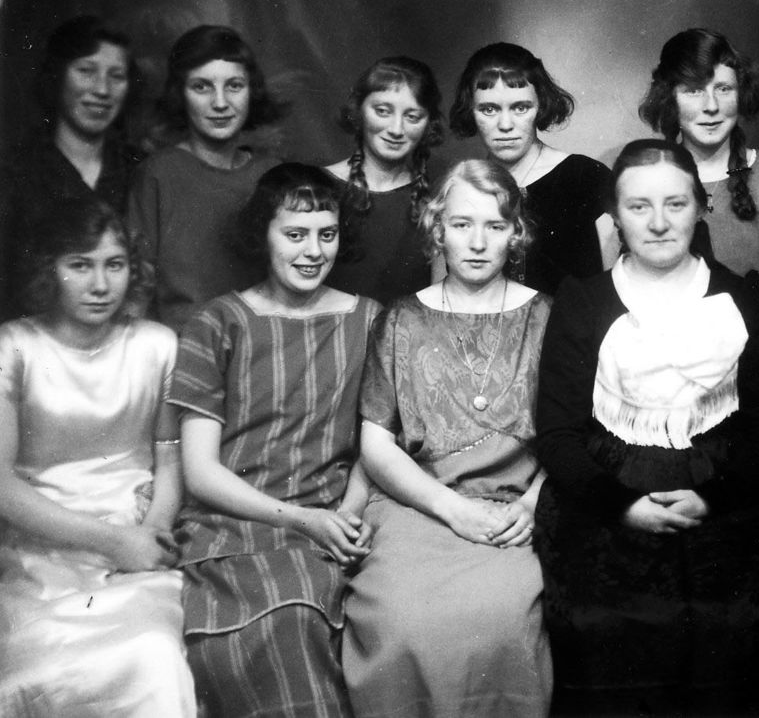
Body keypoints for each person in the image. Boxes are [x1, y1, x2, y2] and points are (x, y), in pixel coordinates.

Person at [535, 139, 759, 714]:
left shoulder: (743, 299)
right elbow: (558, 433)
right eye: (638, 206)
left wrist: (711, 498)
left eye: (675, 204)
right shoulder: (583, 301)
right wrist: (622, 506)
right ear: (616, 216)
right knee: (607, 638)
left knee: (721, 639)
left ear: (700, 207)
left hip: (722, 499)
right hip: (606, 501)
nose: (657, 223)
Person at [168, 164, 379, 716]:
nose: (313, 251)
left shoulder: (369, 321)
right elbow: (200, 472)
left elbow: (376, 445)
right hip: (231, 527)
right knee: (284, 617)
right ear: (263, 234)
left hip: (334, 523)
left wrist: (348, 514)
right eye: (295, 234)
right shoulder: (216, 324)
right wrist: (300, 520)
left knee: (334, 613)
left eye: (326, 234)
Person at [343, 160, 552, 717]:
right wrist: (451, 508)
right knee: (400, 618)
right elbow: (376, 445)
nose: (478, 243)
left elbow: (573, 435)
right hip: (419, 505)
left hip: (513, 511)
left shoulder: (547, 316)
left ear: (516, 233)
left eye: (494, 226)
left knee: (501, 620)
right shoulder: (401, 320)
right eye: (461, 225)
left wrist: (534, 504)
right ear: (438, 230)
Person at [0, 200, 195, 716]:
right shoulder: (13, 346)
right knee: (47, 671)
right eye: (80, 265)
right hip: (43, 552)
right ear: (50, 268)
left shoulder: (157, 344)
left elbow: (169, 457)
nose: (101, 285)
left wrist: (153, 533)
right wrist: (112, 542)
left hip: (137, 546)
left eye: (115, 264)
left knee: (154, 653)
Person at [128, 24, 285, 332]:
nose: (220, 103)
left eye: (234, 85)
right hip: (181, 345)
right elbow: (137, 285)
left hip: (260, 344)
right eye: (202, 87)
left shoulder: (271, 174)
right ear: (180, 94)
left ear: (252, 91)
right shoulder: (158, 174)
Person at [640, 28, 759, 299]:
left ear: (741, 94)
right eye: (694, 91)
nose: (711, 106)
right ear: (669, 99)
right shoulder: (646, 180)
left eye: (723, 89)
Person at [1, 15, 142, 319]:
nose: (102, 89)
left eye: (116, 76)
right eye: (86, 71)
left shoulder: (141, 169)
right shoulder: (13, 172)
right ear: (57, 76)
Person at [448, 42, 612, 294]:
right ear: (470, 111)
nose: (505, 125)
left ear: (541, 106)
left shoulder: (587, 178)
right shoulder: (460, 188)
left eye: (520, 108)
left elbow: (613, 286)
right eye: (489, 109)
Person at [324, 55, 444, 304]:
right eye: (383, 111)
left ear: (428, 124)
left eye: (412, 117)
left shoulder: (439, 196)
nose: (396, 129)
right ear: (358, 111)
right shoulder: (318, 187)